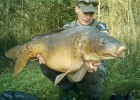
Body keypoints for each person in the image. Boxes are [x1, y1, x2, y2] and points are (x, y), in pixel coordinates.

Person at [38, 0, 109, 100]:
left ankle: (94, 95)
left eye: (91, 13)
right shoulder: (68, 27)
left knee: (93, 68)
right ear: (77, 9)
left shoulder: (100, 26)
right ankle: (70, 90)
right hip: (70, 61)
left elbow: (105, 45)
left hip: (96, 62)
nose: (88, 17)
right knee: (44, 65)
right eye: (85, 12)